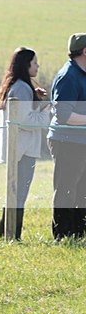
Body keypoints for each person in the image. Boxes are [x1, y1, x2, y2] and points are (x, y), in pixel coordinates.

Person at [0, 47, 51, 239]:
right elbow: (26, 121)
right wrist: (48, 110)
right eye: (35, 63)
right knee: (18, 195)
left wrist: (36, 98)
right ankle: (11, 235)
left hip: (18, 148)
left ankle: (8, 234)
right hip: (22, 150)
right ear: (26, 66)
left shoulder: (18, 86)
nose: (38, 66)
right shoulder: (21, 88)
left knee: (15, 193)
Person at [47, 33, 86, 239]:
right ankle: (62, 236)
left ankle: (79, 234)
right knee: (67, 190)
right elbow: (64, 116)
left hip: (81, 142)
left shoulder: (82, 72)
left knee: (82, 191)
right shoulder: (69, 76)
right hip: (67, 142)